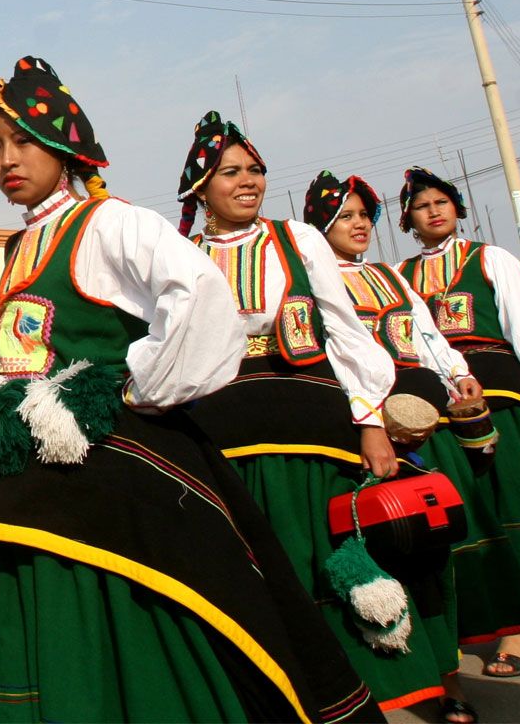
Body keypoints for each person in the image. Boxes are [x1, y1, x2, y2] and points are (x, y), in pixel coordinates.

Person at [0, 58, 376, 723]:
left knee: (131, 631)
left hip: (108, 470)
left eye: (23, 140)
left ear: (63, 146)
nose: (7, 160)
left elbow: (201, 295)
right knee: (52, 624)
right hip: (30, 480)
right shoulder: (17, 250)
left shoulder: (113, 224)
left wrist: (133, 387)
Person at [175, 113, 432, 712]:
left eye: (256, 170)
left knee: (331, 561)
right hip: (225, 444)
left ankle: (375, 697)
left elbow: (346, 334)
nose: (249, 181)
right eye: (231, 171)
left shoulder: (298, 240)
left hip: (310, 431)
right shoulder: (183, 255)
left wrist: (371, 424)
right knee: (258, 577)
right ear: (201, 187)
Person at [304, 171, 520, 722]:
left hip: (428, 422)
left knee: (450, 548)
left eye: (364, 215)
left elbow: (427, 333)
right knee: (390, 554)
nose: (358, 225)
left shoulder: (388, 275)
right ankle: (405, 677)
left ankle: (456, 672)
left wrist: (457, 374)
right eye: (344, 217)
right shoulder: (310, 283)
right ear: (318, 229)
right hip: (367, 426)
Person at [397, 168, 520, 678]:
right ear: (409, 219)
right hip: (447, 406)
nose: (434, 210)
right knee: (478, 513)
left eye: (442, 201)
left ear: (456, 208)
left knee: (517, 504)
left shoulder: (491, 259)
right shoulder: (399, 274)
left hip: (503, 394)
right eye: (422, 205)